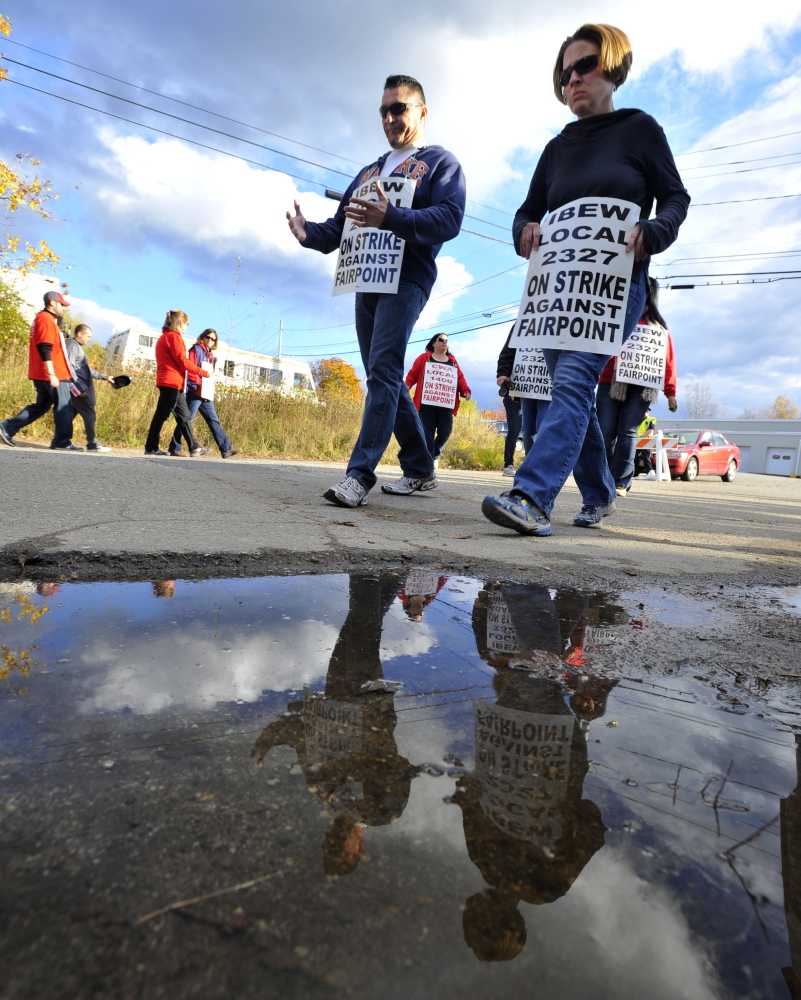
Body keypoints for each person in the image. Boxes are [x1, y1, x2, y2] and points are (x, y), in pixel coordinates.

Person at [481, 23, 689, 536]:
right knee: (571, 395)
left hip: (615, 288)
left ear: (613, 68)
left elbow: (675, 197)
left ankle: (532, 496)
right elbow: (527, 210)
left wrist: (656, 230)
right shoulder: (557, 148)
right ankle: (598, 495)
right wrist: (524, 228)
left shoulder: (640, 129)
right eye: (565, 71)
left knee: (573, 382)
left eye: (585, 65)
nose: (573, 78)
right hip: (556, 291)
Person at [287, 74, 466, 508]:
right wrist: (307, 232)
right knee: (381, 375)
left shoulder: (440, 163)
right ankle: (421, 469)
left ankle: (358, 475)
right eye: (384, 110)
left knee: (384, 370)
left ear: (421, 111)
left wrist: (393, 219)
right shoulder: (369, 170)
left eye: (399, 108)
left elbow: (449, 219)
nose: (389, 117)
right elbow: (337, 229)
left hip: (406, 278)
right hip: (364, 277)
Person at [251, 574, 419, 876]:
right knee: (362, 629)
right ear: (359, 849)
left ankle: (391, 570)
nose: (334, 839)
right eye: (339, 850)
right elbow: (399, 768)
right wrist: (353, 774)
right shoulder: (384, 812)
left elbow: (305, 742)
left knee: (359, 628)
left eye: (327, 843)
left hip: (335, 692)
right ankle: (371, 567)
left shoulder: (324, 793)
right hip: (368, 704)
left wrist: (272, 735)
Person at [596, 278, 678, 495]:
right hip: (609, 382)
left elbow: (667, 361)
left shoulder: (658, 329)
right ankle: (604, 477)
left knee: (628, 431)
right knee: (604, 432)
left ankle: (621, 481)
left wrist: (670, 393)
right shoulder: (614, 319)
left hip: (642, 386)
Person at [0, 290, 82, 451]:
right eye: (62, 305)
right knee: (64, 407)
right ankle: (62, 442)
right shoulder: (45, 319)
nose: (63, 308)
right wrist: (52, 374)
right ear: (52, 303)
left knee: (41, 405)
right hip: (54, 373)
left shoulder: (43, 319)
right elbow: (45, 347)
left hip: (42, 372)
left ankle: (7, 428)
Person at [143, 310, 211, 457]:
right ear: (180, 323)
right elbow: (182, 361)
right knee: (161, 415)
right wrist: (203, 372)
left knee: (184, 416)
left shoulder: (164, 337)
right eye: (187, 324)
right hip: (171, 382)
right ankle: (151, 447)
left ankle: (194, 447)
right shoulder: (174, 337)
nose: (187, 327)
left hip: (173, 382)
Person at [168, 328, 240, 459]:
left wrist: (209, 387)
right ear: (203, 337)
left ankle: (226, 449)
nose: (210, 340)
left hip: (205, 393)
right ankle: (174, 448)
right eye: (208, 337)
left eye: (213, 339)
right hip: (196, 392)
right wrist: (196, 386)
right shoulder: (196, 350)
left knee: (213, 420)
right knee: (186, 420)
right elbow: (190, 369)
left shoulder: (209, 354)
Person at [404, 333, 471, 468]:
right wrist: (406, 388)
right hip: (426, 403)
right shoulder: (424, 358)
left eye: (446, 340)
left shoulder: (452, 361)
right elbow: (413, 374)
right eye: (441, 340)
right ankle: (428, 461)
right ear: (433, 343)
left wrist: (466, 391)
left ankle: (434, 455)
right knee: (427, 433)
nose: (444, 342)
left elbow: (459, 378)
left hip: (446, 404)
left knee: (445, 431)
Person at [496, 326, 551, 473]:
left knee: (543, 428)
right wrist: (503, 373)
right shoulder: (523, 322)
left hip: (549, 388)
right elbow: (509, 350)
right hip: (525, 387)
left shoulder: (562, 320)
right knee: (528, 432)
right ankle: (531, 468)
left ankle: (540, 470)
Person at [64, 324, 117, 452]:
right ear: (79, 334)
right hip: (79, 387)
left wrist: (105, 377)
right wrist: (78, 388)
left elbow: (87, 370)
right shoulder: (72, 345)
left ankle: (62, 440)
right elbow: (68, 366)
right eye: (88, 336)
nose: (89, 339)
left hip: (79, 386)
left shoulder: (78, 347)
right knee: (90, 414)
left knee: (69, 415)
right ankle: (92, 444)